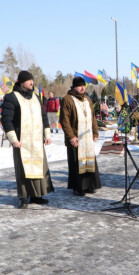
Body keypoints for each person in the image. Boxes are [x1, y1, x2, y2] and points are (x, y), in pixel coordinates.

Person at [1, 71, 54, 208]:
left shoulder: (36, 97)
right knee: (23, 170)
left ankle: (37, 195)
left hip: (37, 141)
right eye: (29, 80)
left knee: (38, 168)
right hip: (21, 142)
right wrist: (13, 139)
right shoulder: (12, 97)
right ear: (21, 82)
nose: (32, 82)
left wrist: (47, 134)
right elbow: (6, 119)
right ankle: (23, 197)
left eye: (32, 80)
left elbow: (44, 117)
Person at [60, 77, 101, 196]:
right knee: (76, 164)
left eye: (84, 86)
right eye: (80, 86)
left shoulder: (87, 99)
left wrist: (95, 132)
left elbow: (93, 117)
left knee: (89, 161)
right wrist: (71, 137)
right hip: (75, 138)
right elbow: (64, 120)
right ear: (74, 87)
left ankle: (89, 185)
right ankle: (78, 187)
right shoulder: (67, 99)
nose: (83, 88)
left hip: (87, 138)